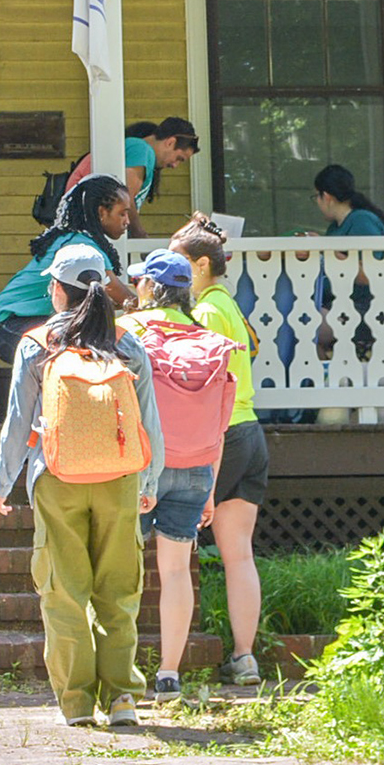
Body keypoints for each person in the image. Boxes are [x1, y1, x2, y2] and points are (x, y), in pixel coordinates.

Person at [0, 243, 164, 729]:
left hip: (56, 476)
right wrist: (150, 479)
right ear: (104, 286)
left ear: (57, 291)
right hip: (121, 477)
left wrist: (3, 482)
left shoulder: (36, 343)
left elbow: (18, 422)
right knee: (119, 588)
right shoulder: (128, 344)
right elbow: (150, 420)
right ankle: (124, 698)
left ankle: (78, 704)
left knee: (63, 590)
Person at [118, 249, 239, 703]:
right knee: (175, 572)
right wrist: (209, 484)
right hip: (194, 467)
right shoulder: (206, 338)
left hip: (141, 467)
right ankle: (169, 674)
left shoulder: (129, 332)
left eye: (140, 282)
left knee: (123, 573)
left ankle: (120, 672)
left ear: (149, 287)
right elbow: (221, 422)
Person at [173, 218, 267, 687]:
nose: (173, 270)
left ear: (202, 264)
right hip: (252, 433)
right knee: (239, 555)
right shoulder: (231, 304)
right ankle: (244, 657)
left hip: (222, 434)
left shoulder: (208, 310)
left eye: (180, 262)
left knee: (177, 547)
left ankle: (173, 657)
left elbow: (205, 383)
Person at [0, 175, 129, 365]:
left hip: (21, 321)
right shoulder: (83, 247)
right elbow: (123, 297)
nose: (128, 221)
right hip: (8, 324)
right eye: (122, 214)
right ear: (102, 212)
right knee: (74, 355)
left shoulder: (77, 239)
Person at [66, 117, 200, 235]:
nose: (175, 165)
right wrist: (140, 236)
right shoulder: (141, 149)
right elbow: (125, 196)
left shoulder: (136, 147)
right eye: (179, 158)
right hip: (87, 228)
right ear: (170, 142)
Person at [312, 163, 384, 236]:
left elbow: (374, 250)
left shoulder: (362, 220)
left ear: (326, 197)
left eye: (317, 196)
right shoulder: (333, 228)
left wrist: (323, 248)